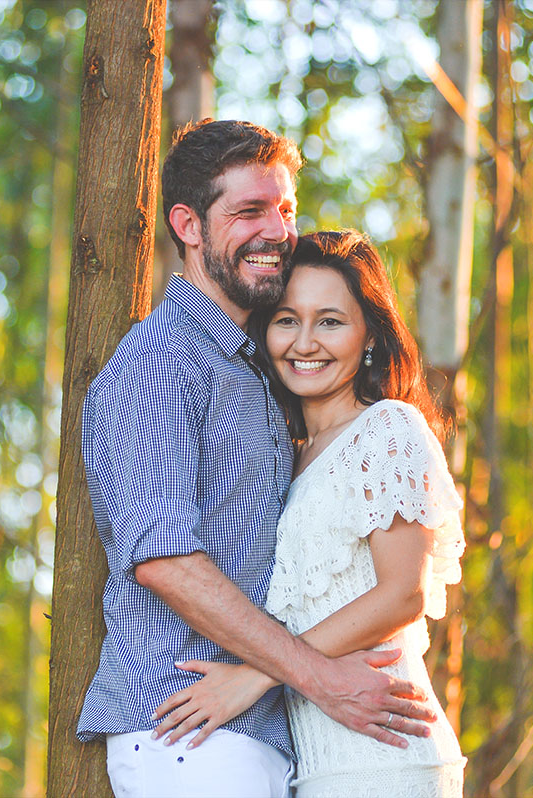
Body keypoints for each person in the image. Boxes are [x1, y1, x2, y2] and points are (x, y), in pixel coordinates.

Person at [77, 123, 436, 798]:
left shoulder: (252, 370)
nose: (277, 231)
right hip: (185, 729)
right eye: (249, 212)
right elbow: (164, 558)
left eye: (286, 209)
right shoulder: (163, 362)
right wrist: (318, 676)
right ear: (188, 224)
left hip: (258, 734)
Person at [150, 230, 467, 796]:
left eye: (330, 321)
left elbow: (403, 594)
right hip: (317, 767)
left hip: (388, 758)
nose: (305, 342)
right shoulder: (286, 456)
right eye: (287, 319)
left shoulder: (388, 429)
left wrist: (254, 677)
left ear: (369, 333)